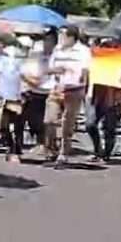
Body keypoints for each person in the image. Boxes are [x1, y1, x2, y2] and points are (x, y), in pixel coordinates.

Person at [44, 26, 90, 167]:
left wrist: (79, 82)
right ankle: (51, 148)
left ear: (71, 37)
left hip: (74, 91)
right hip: (56, 89)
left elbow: (85, 71)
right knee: (49, 120)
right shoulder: (57, 50)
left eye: (63, 36)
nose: (60, 39)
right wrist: (56, 70)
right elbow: (49, 69)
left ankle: (63, 153)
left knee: (67, 124)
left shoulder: (83, 51)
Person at [21, 31, 55, 148]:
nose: (47, 43)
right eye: (45, 40)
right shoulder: (35, 56)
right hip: (34, 91)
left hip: (51, 93)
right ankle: (40, 141)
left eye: (50, 41)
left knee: (48, 121)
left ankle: (46, 144)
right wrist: (31, 81)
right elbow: (24, 72)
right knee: (34, 120)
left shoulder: (58, 58)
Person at [0, 43, 26, 163]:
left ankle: (14, 150)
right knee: (4, 124)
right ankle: (12, 148)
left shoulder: (22, 58)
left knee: (16, 124)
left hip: (18, 95)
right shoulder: (3, 58)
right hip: (6, 95)